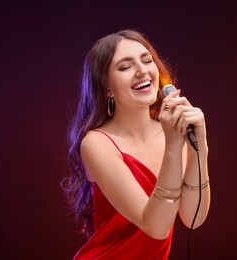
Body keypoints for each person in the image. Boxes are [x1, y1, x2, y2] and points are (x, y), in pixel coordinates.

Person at [62, 29, 211, 259]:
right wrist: (173, 146)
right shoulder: (96, 144)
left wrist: (200, 147)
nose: (142, 70)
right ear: (107, 87)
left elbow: (193, 219)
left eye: (147, 60)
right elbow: (156, 227)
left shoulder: (172, 134)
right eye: (125, 67)